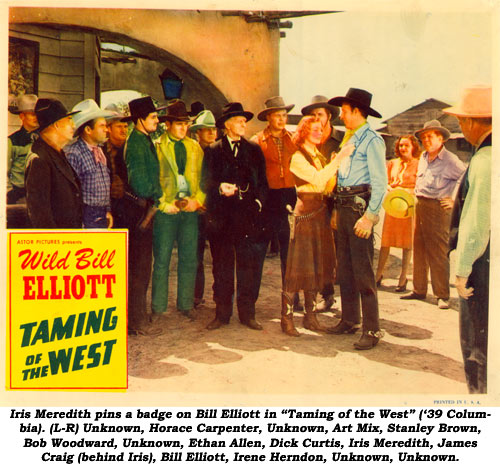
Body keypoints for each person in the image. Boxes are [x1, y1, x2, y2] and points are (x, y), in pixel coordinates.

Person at [281, 116, 354, 336]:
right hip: (306, 212)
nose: (318, 133)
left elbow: (328, 184)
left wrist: (333, 167)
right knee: (298, 266)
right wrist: (338, 160)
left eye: (321, 129)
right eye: (313, 129)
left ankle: (310, 318)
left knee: (316, 264)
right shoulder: (297, 157)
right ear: (303, 132)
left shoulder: (319, 156)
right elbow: (320, 180)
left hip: (320, 212)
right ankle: (286, 319)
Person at [326, 88, 387, 350]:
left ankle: (372, 330)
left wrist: (370, 218)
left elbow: (380, 183)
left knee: (363, 271)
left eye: (344, 111)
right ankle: (349, 319)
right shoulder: (349, 139)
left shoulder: (372, 140)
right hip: (344, 204)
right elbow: (342, 177)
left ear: (357, 112)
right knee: (345, 268)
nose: (341, 115)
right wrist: (338, 211)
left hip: (361, 209)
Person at [201, 102, 268, 331]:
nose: (243, 124)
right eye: (239, 121)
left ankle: (247, 314)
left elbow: (262, 184)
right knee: (221, 266)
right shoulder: (213, 150)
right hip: (221, 219)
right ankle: (222, 314)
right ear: (228, 125)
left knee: (247, 266)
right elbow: (205, 182)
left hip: (247, 219)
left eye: (244, 121)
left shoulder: (254, 149)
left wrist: (258, 202)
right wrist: (220, 187)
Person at [444, 85, 491, 393]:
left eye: (461, 121)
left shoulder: (485, 159)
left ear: (474, 122)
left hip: (480, 264)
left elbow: (476, 222)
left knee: (477, 346)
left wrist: (461, 272)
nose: (461, 127)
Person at [401, 120, 466, 309]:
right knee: (419, 248)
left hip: (438, 208)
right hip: (420, 204)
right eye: (423, 137)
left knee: (438, 252)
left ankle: (442, 295)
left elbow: (465, 176)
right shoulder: (423, 157)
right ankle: (419, 290)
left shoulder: (450, 160)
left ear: (441, 138)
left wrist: (454, 199)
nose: (426, 140)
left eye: (430, 136)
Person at [152, 100, 205, 320]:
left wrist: (198, 200)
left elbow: (205, 179)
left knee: (189, 258)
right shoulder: (157, 146)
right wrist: (164, 203)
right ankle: (158, 307)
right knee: (162, 259)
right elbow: (154, 179)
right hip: (167, 210)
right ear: (168, 125)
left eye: (186, 124)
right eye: (179, 124)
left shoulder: (195, 147)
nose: (184, 128)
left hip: (190, 209)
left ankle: (185, 304)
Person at [123, 96, 165, 335]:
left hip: (146, 209)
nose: (157, 121)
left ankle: (137, 317)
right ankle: (135, 321)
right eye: (153, 117)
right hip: (140, 212)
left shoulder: (144, 139)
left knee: (142, 267)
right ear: (139, 120)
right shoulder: (136, 143)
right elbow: (139, 183)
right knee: (138, 269)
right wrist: (157, 193)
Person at [301, 95, 343, 311]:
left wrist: (336, 210)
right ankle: (313, 295)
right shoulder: (306, 140)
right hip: (310, 203)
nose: (317, 118)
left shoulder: (339, 140)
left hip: (332, 203)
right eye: (313, 115)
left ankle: (328, 295)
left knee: (330, 254)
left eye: (320, 114)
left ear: (328, 117)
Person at [251, 96, 297, 287]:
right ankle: (250, 300)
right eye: (277, 115)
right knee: (259, 249)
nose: (281, 119)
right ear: (268, 118)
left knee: (290, 249)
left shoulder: (294, 139)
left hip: (289, 195)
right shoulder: (256, 141)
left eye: (284, 115)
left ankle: (292, 297)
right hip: (267, 197)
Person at [24, 98, 82, 228]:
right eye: (69, 120)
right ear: (56, 124)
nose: (73, 125)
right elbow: (40, 216)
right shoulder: (39, 159)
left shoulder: (57, 152)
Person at [375, 135, 421, 291]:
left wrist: (407, 191)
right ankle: (378, 274)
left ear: (413, 146)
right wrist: (389, 188)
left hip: (408, 205)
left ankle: (403, 278)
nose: (403, 148)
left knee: (407, 243)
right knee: (386, 241)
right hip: (393, 204)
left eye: (406, 145)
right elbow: (384, 181)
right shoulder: (392, 163)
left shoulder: (419, 164)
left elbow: (420, 186)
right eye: (401, 145)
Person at [66, 99, 114, 228]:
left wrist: (107, 210)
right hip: (86, 215)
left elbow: (104, 183)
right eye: (102, 126)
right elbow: (71, 193)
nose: (107, 130)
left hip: (102, 213)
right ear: (88, 129)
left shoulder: (100, 151)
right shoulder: (74, 153)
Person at [190, 110, 218, 308]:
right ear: (197, 133)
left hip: (216, 211)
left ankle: (220, 296)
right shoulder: (193, 151)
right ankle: (196, 295)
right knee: (196, 255)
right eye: (205, 130)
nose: (210, 133)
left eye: (213, 130)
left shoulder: (220, 151)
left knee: (219, 256)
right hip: (197, 210)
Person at [7, 94, 39, 204]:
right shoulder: (12, 141)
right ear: (22, 116)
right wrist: (11, 194)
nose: (36, 117)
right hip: (20, 196)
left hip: (41, 194)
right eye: (32, 114)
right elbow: (4, 172)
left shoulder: (45, 138)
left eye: (37, 114)